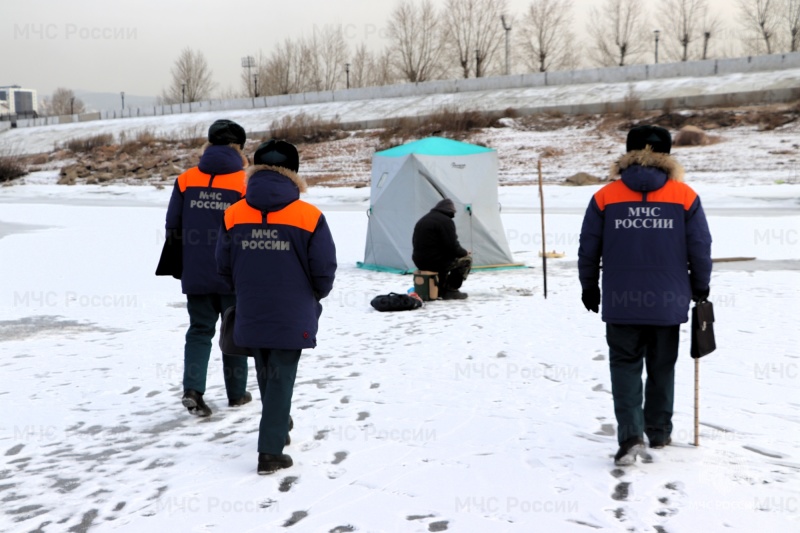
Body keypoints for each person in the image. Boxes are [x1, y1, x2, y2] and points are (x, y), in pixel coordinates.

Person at [578, 125, 712, 466]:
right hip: (668, 299)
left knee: (624, 364)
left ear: (628, 153)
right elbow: (700, 246)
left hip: (621, 299)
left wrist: (589, 284)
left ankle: (631, 437)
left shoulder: (605, 197)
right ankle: (659, 430)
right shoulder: (684, 195)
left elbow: (588, 248)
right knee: (662, 365)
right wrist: (701, 284)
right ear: (666, 155)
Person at [216, 139, 337, 474]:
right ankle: (270, 452)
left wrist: (243, 288)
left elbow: (222, 265)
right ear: (293, 174)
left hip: (250, 305)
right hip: (292, 308)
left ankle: (278, 425)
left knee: (266, 369)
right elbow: (323, 268)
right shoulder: (309, 215)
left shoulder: (233, 213)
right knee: (281, 375)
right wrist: (315, 295)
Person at [161, 119, 252, 417]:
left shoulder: (186, 179)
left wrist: (182, 263)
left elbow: (173, 226)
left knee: (199, 331)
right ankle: (237, 394)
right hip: (233, 273)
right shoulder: (244, 182)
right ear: (239, 148)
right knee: (235, 331)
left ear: (209, 145)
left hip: (196, 271)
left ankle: (192, 390)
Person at [412, 198, 472, 300]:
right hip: (434, 262)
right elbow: (452, 246)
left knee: (445, 259)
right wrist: (465, 252)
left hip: (419, 261)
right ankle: (451, 290)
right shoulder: (446, 221)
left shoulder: (424, 219)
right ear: (450, 211)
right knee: (466, 260)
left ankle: (440, 289)